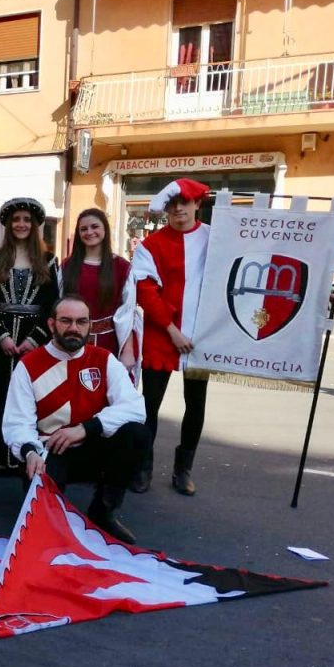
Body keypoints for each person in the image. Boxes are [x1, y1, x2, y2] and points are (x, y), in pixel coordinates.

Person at [3, 295, 149, 544]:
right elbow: (17, 422)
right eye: (66, 321)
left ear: (89, 325)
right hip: (49, 450)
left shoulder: (104, 359)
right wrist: (29, 453)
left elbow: (135, 407)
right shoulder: (29, 365)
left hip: (92, 445)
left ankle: (103, 512)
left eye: (82, 321)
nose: (74, 328)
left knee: (137, 433)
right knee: (43, 534)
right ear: (51, 324)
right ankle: (46, 508)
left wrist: (87, 428)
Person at [130, 178, 211, 497]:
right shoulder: (150, 246)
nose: (179, 208)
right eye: (173, 204)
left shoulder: (214, 239)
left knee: (196, 404)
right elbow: (146, 292)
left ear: (196, 205)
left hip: (202, 336)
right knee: (149, 406)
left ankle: (183, 470)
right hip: (161, 335)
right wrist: (172, 330)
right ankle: (143, 467)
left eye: (185, 202)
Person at [0, 196, 60, 460]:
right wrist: (1, 335)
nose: (21, 224)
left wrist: (35, 339)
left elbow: (52, 304)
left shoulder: (48, 261)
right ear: (8, 224)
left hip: (33, 339)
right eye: (16, 220)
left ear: (35, 225)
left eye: (27, 220)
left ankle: (25, 455)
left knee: (29, 395)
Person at [60, 207, 137, 367]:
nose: (89, 232)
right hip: (71, 341)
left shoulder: (122, 267)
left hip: (108, 342)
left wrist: (128, 351)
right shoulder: (67, 266)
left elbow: (128, 312)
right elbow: (58, 305)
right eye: (83, 229)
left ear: (105, 230)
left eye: (94, 227)